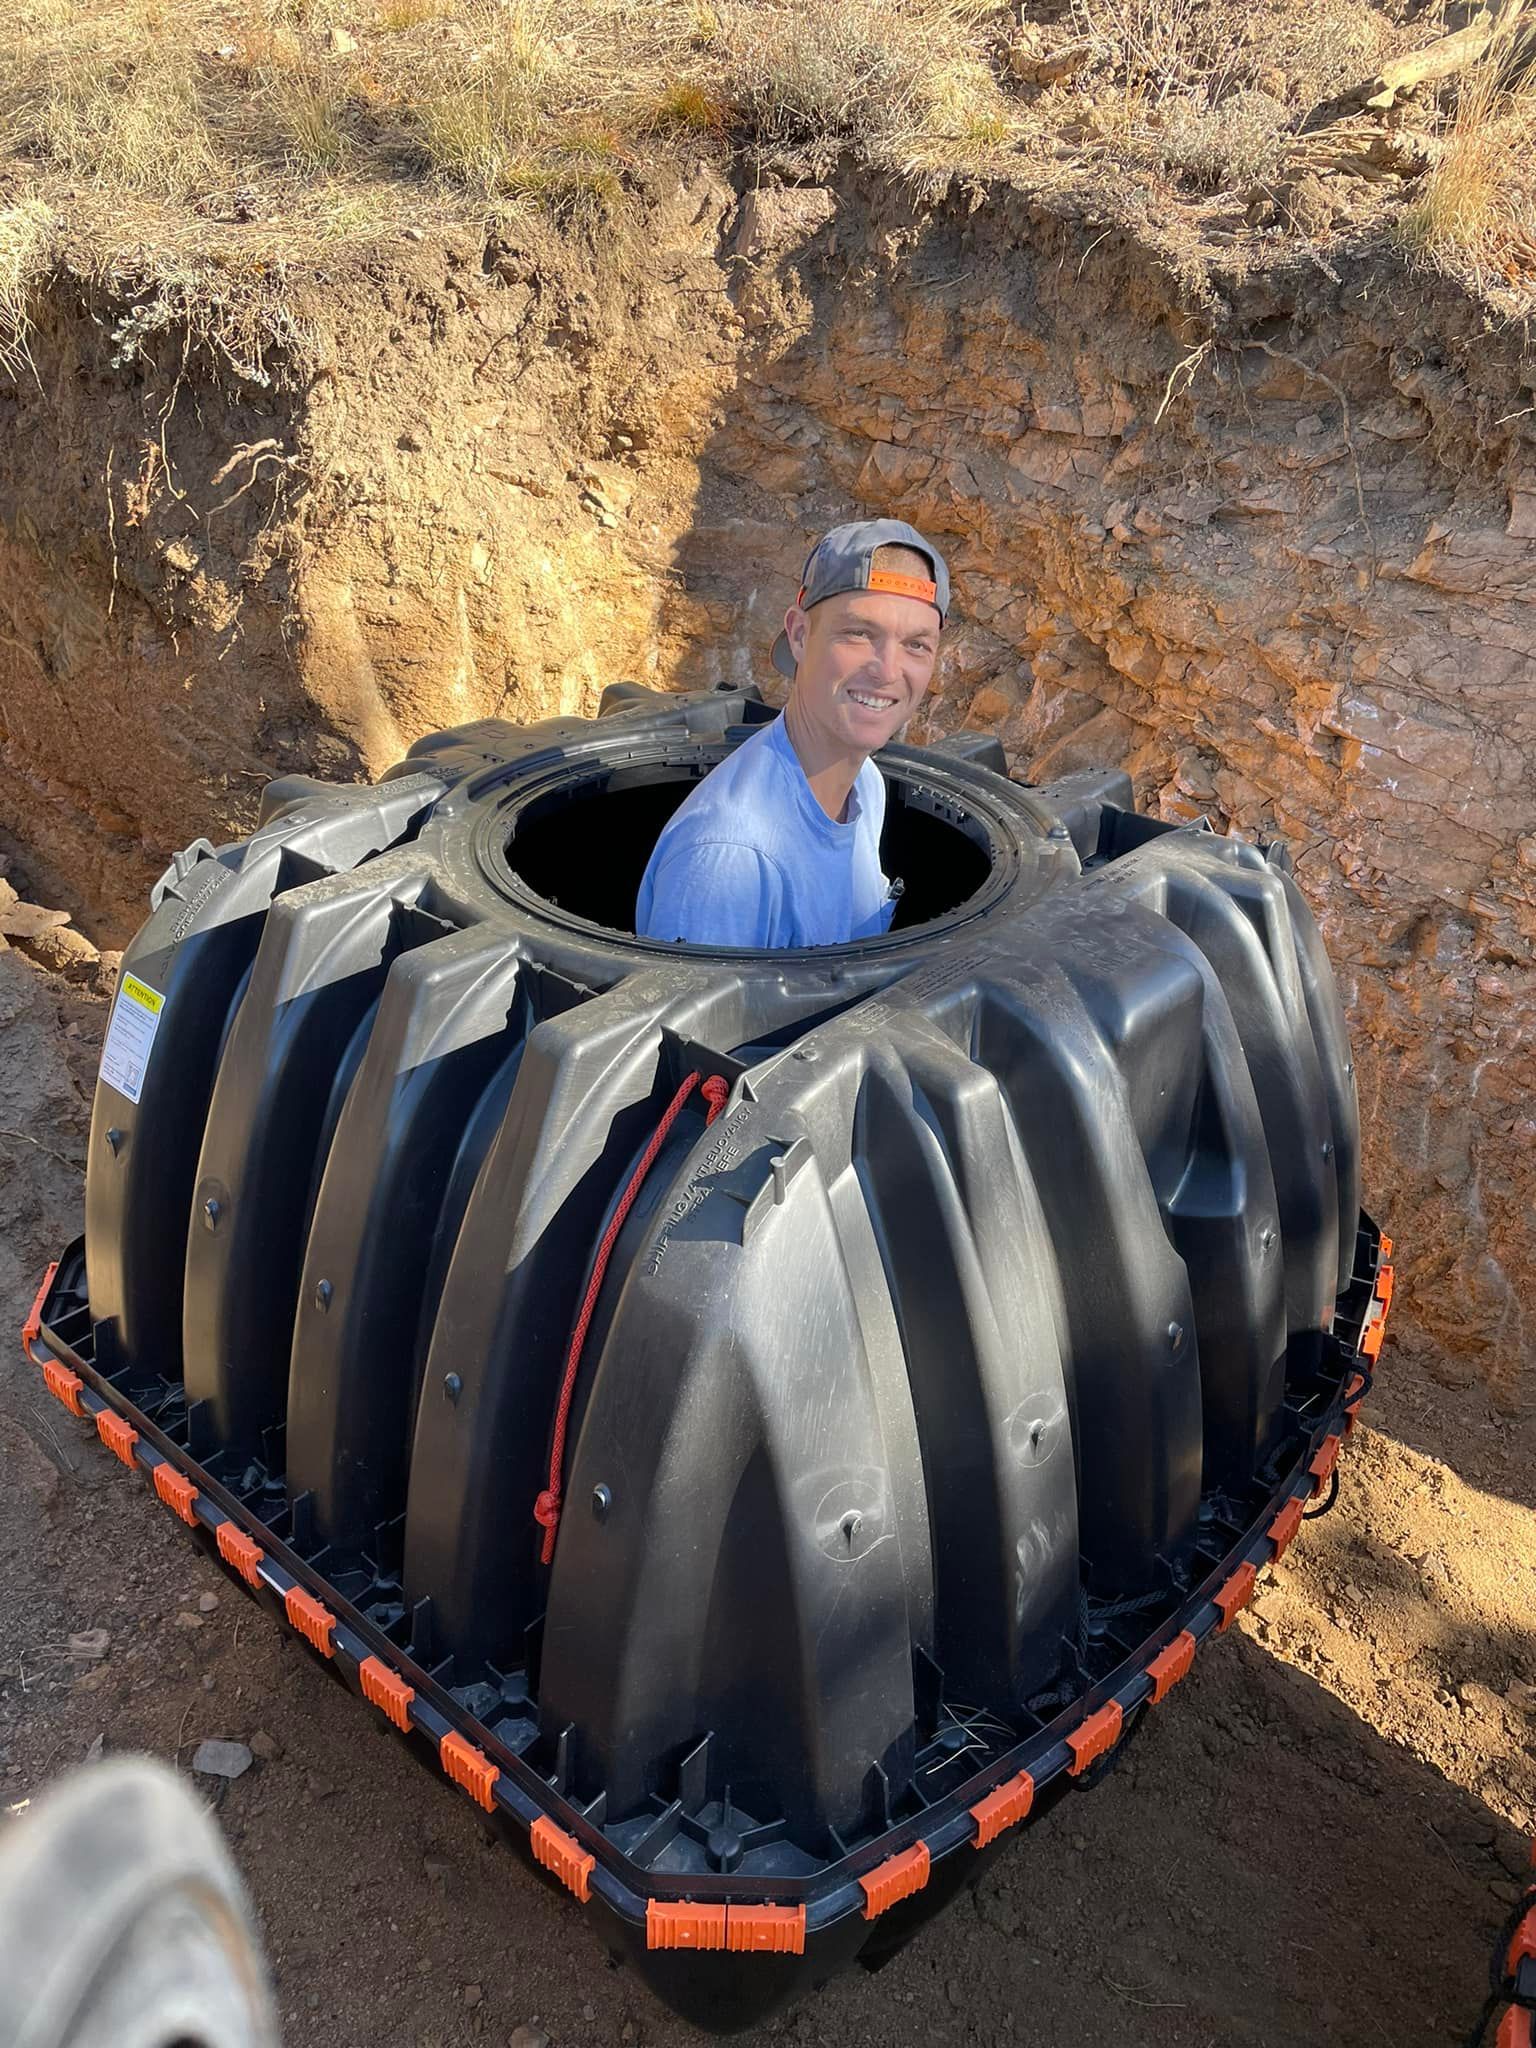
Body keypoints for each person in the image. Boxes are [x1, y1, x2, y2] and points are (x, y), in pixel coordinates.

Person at [635, 518, 949, 948]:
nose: (888, 670)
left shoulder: (865, 786)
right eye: (859, 633)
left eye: (916, 644)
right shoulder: (732, 860)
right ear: (799, 635)